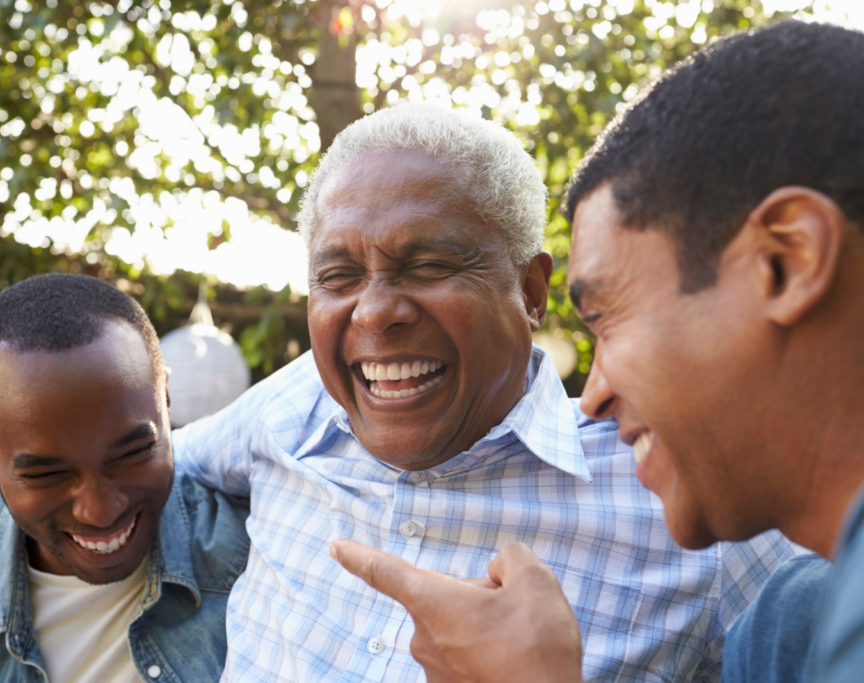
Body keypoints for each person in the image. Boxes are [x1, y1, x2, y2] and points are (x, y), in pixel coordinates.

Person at [0, 105, 799, 681]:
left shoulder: (693, 504)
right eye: (339, 275)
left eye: (429, 263)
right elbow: (130, 457)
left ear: (532, 288)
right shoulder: (295, 406)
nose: (375, 312)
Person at [330, 19, 863, 683]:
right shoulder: (790, 625)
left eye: (606, 317)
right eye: (338, 276)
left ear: (787, 262)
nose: (594, 395)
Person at [0, 274, 250, 682]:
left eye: (133, 454)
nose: (100, 511)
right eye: (46, 474)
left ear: (166, 399)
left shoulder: (258, 557)